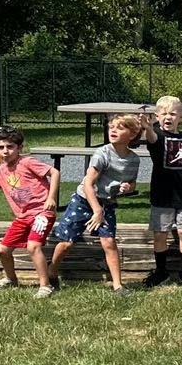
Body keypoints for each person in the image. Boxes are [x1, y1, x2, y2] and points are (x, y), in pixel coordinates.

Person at [49, 112, 148, 294]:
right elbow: (88, 183)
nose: (113, 130)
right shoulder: (102, 153)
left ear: (133, 134)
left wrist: (128, 187)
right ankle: (52, 272)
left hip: (107, 203)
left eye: (120, 128)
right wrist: (96, 210)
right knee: (67, 243)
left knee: (109, 242)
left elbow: (132, 182)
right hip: (83, 201)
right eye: (111, 127)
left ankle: (118, 285)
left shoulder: (134, 159)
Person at [0, 125, 59, 296]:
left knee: (33, 246)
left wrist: (51, 198)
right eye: (1, 147)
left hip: (41, 213)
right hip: (22, 217)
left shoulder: (27, 162)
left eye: (10, 146)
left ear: (19, 148)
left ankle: (45, 285)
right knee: (3, 250)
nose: (5, 151)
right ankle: (11, 279)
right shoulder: (1, 172)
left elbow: (54, 172)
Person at [141, 95, 182, 287]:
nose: (168, 117)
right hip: (162, 194)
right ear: (157, 116)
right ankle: (161, 271)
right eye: (164, 114)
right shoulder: (157, 136)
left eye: (173, 114)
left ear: (181, 117)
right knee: (160, 233)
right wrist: (148, 128)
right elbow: (151, 138)